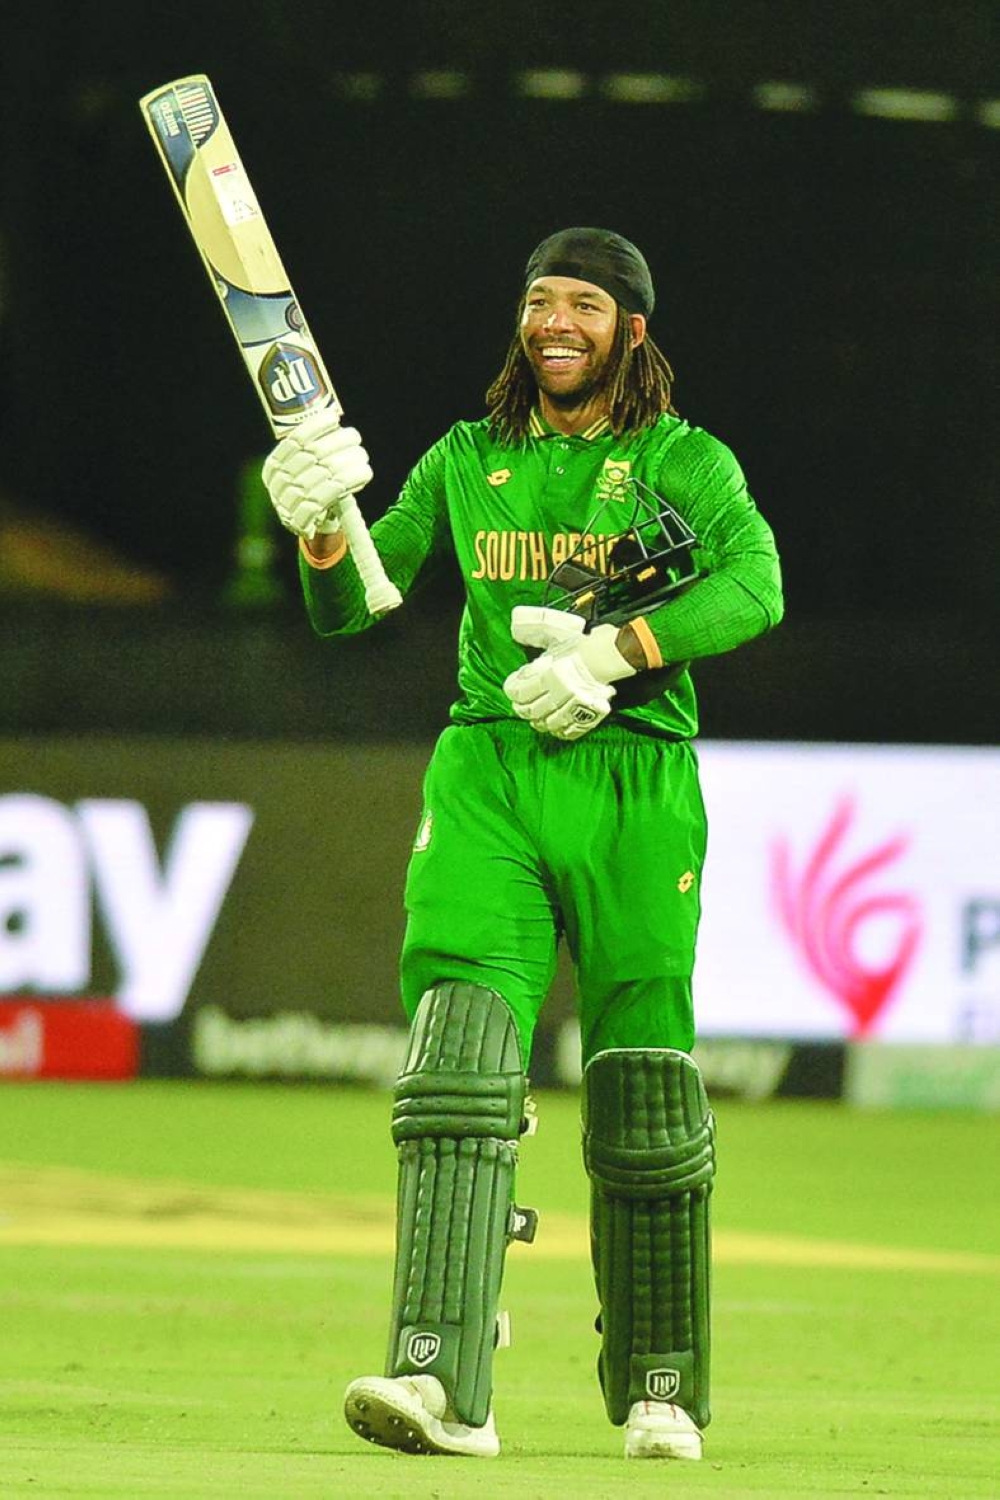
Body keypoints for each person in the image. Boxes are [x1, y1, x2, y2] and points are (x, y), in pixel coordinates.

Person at [262, 227, 784, 1461]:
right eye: (539, 301)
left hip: (635, 781)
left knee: (646, 1084)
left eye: (585, 304)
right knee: (456, 1065)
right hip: (490, 765)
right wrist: (322, 529)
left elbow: (753, 584)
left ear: (631, 332)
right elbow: (355, 607)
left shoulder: (682, 459)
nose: (554, 321)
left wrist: (617, 653)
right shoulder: (465, 456)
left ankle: (661, 1381)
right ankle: (440, 1377)